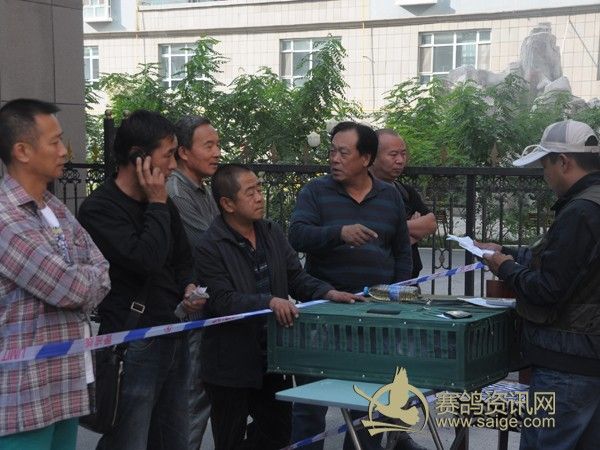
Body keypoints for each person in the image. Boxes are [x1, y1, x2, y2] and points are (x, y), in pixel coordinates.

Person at [195, 164, 362, 450]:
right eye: (250, 192)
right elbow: (222, 299)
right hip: (230, 363)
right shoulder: (210, 245)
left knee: (279, 433)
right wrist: (269, 301)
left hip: (272, 356)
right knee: (229, 439)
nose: (260, 197)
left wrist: (328, 291)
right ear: (228, 204)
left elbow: (295, 277)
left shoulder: (270, 232)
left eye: (259, 189)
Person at [78, 110, 203, 450]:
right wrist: (158, 204)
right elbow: (145, 260)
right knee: (129, 438)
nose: (173, 166)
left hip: (173, 331)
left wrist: (189, 286)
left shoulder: (164, 205)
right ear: (139, 157)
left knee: (175, 438)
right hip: (133, 341)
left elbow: (183, 259)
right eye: (168, 155)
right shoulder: (100, 208)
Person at [288, 121, 413, 450]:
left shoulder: (389, 196)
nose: (334, 159)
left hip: (374, 317)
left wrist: (394, 299)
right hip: (324, 314)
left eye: (343, 153)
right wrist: (338, 233)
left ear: (366, 158)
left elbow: (401, 251)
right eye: (332, 151)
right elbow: (296, 235)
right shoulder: (315, 192)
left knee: (369, 404)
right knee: (310, 404)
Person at [477, 120, 600, 450]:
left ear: (563, 162)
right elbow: (570, 263)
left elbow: (548, 289)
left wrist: (505, 268)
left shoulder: (581, 211)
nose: (544, 175)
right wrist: (508, 252)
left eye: (545, 165)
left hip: (567, 363)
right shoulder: (591, 203)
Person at [0, 99, 111, 449]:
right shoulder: (5, 218)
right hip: (22, 396)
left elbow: (103, 270)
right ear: (22, 151)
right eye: (55, 141)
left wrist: (83, 280)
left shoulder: (55, 208)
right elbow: (67, 288)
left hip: (66, 386)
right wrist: (83, 280)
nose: (65, 151)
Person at [166, 115, 220, 450]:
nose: (217, 152)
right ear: (184, 152)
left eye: (217, 144)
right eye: (208, 145)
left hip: (206, 303)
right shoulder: (176, 191)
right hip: (189, 306)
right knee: (191, 398)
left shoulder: (202, 189)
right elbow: (210, 244)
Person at [371, 129, 436, 280]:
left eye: (403, 154)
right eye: (393, 155)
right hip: (377, 281)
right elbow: (369, 232)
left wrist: (392, 233)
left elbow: (431, 223)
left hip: (409, 280)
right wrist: (410, 232)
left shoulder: (405, 192)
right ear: (372, 157)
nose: (400, 160)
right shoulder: (361, 192)